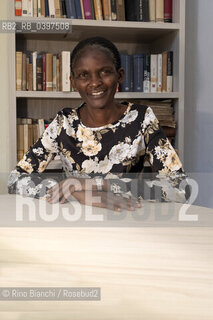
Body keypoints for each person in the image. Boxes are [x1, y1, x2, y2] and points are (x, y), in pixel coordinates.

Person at [8, 37, 187, 211]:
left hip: (127, 219)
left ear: (120, 76)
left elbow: (180, 188)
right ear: (73, 82)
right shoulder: (65, 122)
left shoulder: (142, 119)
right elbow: (15, 181)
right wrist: (76, 193)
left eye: (105, 72)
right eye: (84, 75)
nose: (95, 82)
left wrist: (89, 185)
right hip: (75, 220)